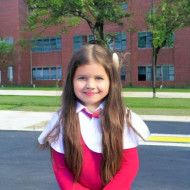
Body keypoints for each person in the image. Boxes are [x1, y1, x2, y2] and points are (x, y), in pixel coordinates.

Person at [38, 44, 150, 190]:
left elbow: (129, 165)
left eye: (99, 78)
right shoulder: (62, 119)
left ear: (111, 81)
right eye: (82, 78)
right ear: (71, 80)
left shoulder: (122, 117)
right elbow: (60, 168)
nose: (90, 85)